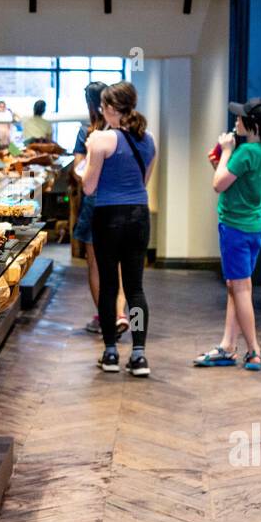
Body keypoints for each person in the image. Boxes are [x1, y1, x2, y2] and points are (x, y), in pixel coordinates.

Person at [196, 97, 261, 372]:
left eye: (240, 117)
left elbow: (218, 185)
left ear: (252, 124)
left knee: (240, 289)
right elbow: (237, 185)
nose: (236, 120)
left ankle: (254, 350)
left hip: (235, 228)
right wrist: (223, 161)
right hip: (255, 227)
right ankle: (228, 345)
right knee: (238, 286)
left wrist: (227, 151)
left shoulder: (244, 153)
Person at [82, 82, 156, 377]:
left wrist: (84, 166)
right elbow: (144, 181)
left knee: (110, 284)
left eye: (103, 107)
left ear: (111, 109)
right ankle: (139, 355)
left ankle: (110, 351)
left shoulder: (100, 140)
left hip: (108, 217)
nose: (101, 112)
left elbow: (89, 187)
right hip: (139, 216)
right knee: (135, 287)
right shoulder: (148, 139)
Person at [72, 81, 127, 337]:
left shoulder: (88, 133)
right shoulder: (125, 131)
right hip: (123, 203)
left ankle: (106, 318)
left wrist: (87, 172)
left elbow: (78, 170)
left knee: (95, 265)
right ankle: (119, 314)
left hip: (95, 204)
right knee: (117, 264)